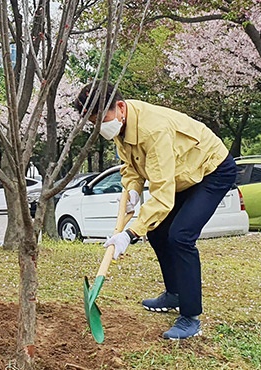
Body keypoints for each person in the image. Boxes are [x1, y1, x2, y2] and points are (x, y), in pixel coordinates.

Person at [74, 81, 237, 340]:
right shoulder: (121, 127)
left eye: (100, 118)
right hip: (183, 174)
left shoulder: (153, 130)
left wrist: (130, 234)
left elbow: (162, 195)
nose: (99, 126)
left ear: (119, 107)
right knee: (159, 232)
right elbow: (130, 167)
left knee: (181, 236)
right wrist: (133, 189)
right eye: (93, 121)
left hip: (211, 169)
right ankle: (174, 293)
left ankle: (190, 317)